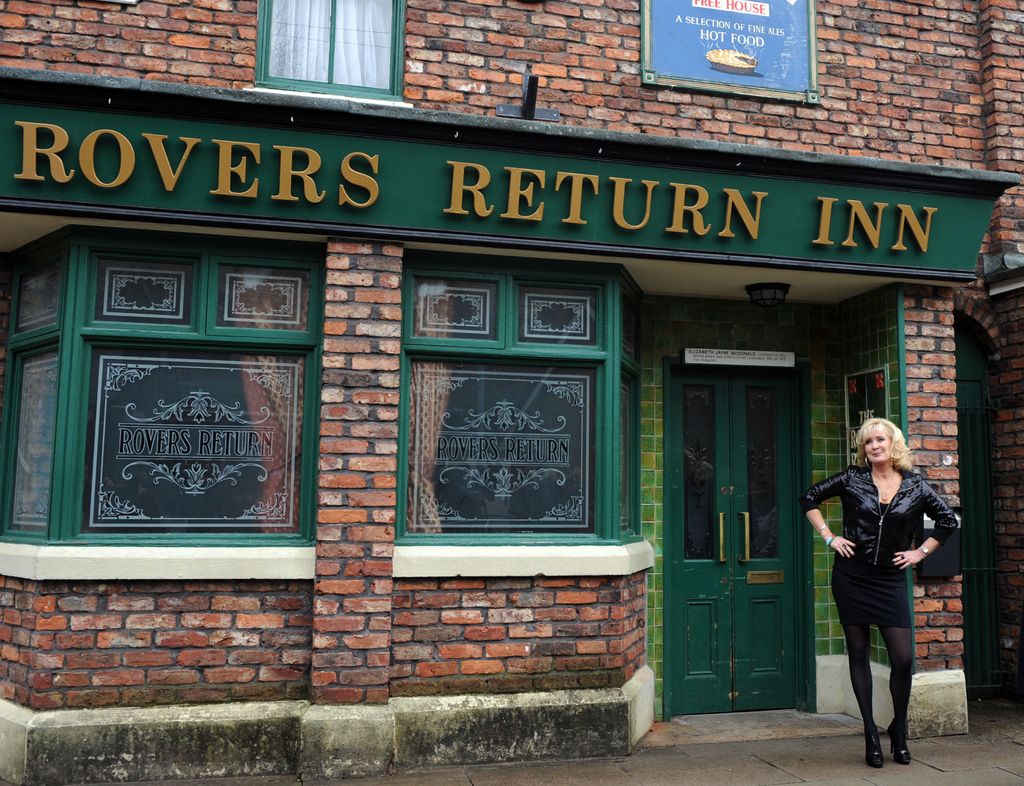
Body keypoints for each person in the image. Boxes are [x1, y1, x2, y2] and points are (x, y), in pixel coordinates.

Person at [799, 417, 958, 768]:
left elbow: (948, 521)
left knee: (902, 659)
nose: (874, 446)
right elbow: (808, 497)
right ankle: (871, 733)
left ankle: (898, 729)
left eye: (880, 440)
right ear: (864, 449)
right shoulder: (851, 478)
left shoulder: (915, 486)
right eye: (868, 442)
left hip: (889, 580)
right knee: (858, 652)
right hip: (851, 576)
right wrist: (829, 536)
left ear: (893, 444)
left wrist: (920, 553)